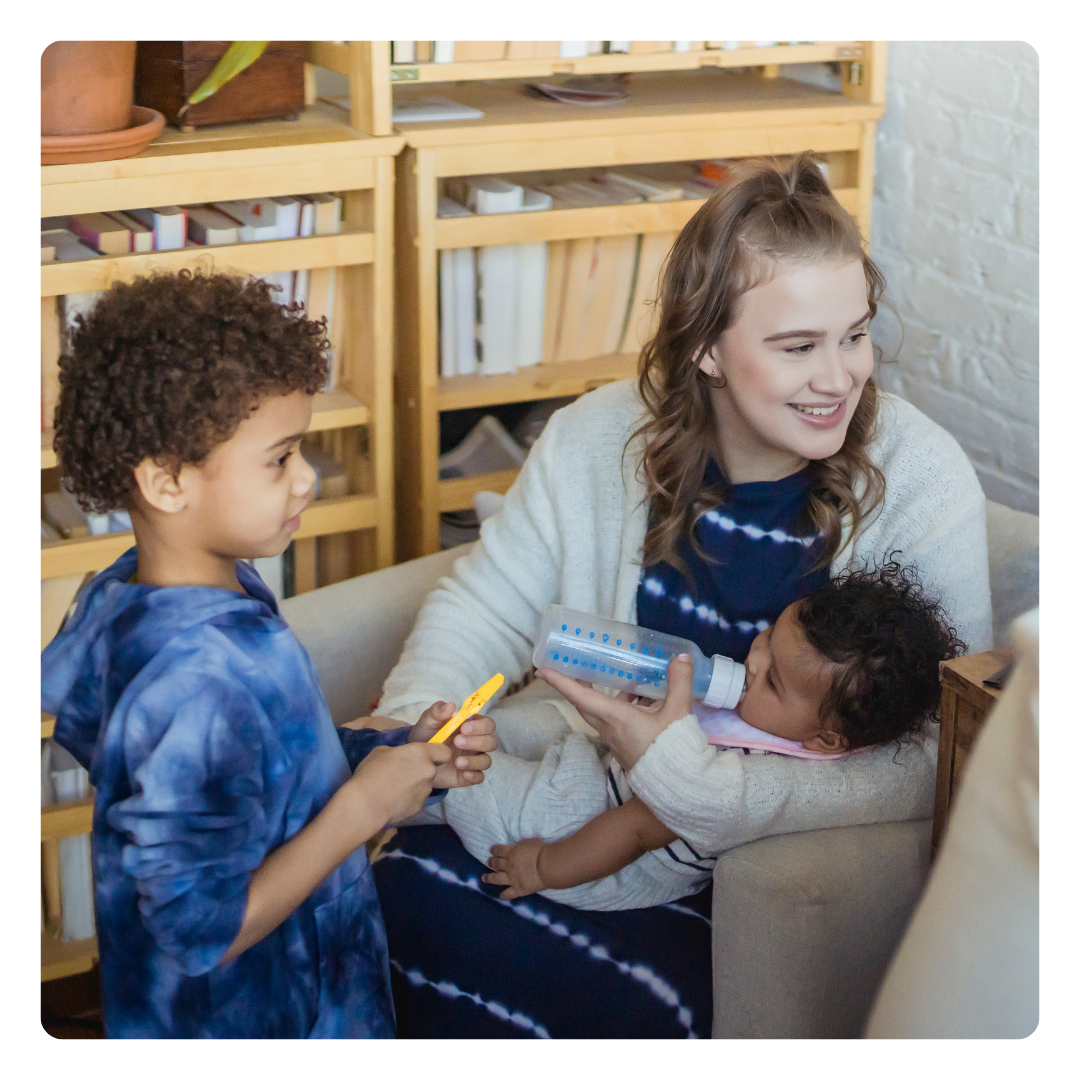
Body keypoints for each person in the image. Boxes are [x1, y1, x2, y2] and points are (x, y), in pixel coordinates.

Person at [370, 152, 992, 1038]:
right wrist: (412, 733)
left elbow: (939, 750)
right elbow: (489, 605)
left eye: (854, 334)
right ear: (704, 347)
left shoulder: (921, 482)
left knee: (629, 1004)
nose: (841, 377)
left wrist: (707, 794)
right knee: (391, 884)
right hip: (573, 801)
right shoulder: (597, 435)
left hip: (740, 879)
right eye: (796, 346)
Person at [39, 271, 498, 1039]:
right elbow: (199, 929)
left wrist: (391, 754)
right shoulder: (195, 677)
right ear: (165, 481)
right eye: (278, 459)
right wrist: (365, 808)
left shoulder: (136, 596)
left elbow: (252, 782)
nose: (307, 478)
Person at [475, 563, 964, 907]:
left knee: (470, 780)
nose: (753, 661)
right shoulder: (770, 715)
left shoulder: (751, 769)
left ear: (826, 740)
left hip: (592, 852)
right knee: (503, 731)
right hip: (598, 781)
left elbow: (636, 829)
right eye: (768, 638)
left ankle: (419, 769)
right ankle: (424, 745)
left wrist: (542, 867)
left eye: (773, 680)